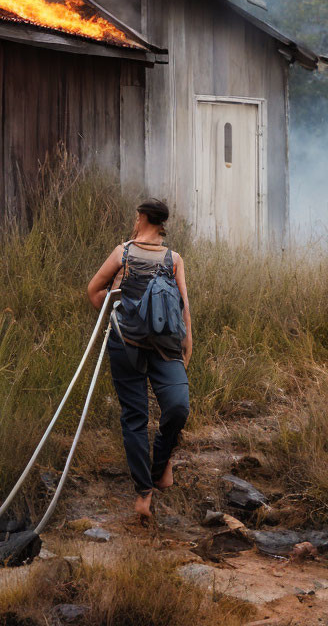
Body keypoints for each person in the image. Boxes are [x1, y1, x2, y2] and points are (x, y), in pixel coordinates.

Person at [87, 198, 193, 520]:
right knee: (135, 416)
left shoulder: (173, 259)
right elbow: (95, 290)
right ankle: (143, 492)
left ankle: (161, 465)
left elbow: (183, 304)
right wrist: (121, 308)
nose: (134, 221)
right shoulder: (123, 253)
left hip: (166, 347)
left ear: (143, 218)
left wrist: (188, 341)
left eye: (137, 217)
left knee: (178, 406)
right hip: (125, 344)